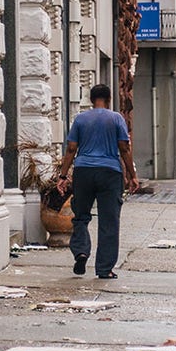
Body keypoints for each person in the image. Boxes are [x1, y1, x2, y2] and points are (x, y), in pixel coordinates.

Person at [56, 84, 140, 279]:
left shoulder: (80, 119)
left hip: (84, 171)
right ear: (109, 99)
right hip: (110, 173)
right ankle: (104, 269)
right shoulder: (116, 118)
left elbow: (71, 149)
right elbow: (124, 148)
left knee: (81, 216)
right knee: (109, 221)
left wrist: (62, 175)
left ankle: (81, 251)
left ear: (91, 99)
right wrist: (132, 175)